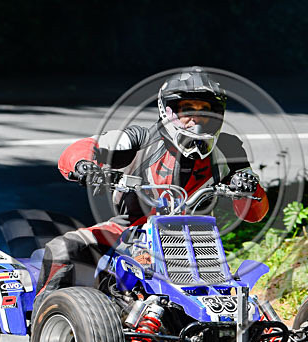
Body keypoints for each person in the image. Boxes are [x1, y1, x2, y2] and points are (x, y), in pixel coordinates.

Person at [35, 67, 269, 307]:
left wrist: (249, 189)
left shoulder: (229, 148)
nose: (195, 117)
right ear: (167, 111)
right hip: (131, 229)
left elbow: (255, 214)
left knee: (236, 290)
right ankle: (46, 320)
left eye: (204, 110)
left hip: (199, 238)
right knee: (64, 247)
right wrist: (84, 166)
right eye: (187, 109)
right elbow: (87, 147)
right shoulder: (142, 138)